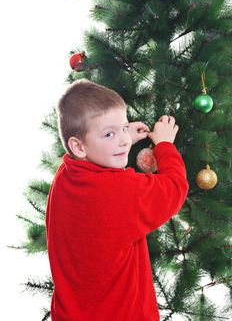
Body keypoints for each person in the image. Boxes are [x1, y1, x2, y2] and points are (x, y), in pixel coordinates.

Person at [46, 79, 189, 321]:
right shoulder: (118, 191)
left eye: (123, 127)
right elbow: (174, 189)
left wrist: (120, 137)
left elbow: (94, 155)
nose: (123, 140)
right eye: (109, 134)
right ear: (79, 146)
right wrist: (164, 145)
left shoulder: (67, 174)